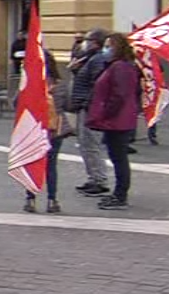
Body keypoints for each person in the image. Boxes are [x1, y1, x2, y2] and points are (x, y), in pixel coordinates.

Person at [86, 33, 141, 210]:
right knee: (117, 157)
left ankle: (120, 195)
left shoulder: (120, 67)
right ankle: (118, 194)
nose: (105, 50)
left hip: (118, 120)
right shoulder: (120, 66)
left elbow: (119, 95)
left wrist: (106, 113)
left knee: (119, 158)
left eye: (109, 46)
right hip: (118, 119)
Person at [68, 28, 110, 197]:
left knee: (91, 145)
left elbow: (97, 84)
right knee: (85, 145)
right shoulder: (90, 58)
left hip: (89, 107)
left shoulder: (98, 59)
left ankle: (99, 180)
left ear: (95, 43)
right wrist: (76, 70)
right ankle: (93, 178)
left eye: (88, 40)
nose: (85, 43)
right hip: (84, 106)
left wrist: (87, 103)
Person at [23, 50, 66, 214]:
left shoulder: (30, 83)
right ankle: (52, 200)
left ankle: (31, 199)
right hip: (54, 129)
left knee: (33, 163)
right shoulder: (59, 84)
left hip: (34, 128)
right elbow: (67, 104)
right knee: (51, 165)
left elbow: (16, 103)